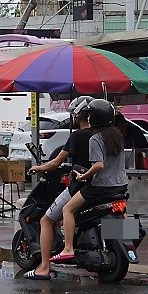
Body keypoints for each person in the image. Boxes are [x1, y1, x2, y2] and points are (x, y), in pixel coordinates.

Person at [22, 97, 94, 280]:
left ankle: (44, 267)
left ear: (77, 116)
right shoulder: (104, 135)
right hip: (106, 186)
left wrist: (38, 167)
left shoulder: (78, 136)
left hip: (82, 186)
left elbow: (55, 163)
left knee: (47, 220)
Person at [52, 99, 126, 267]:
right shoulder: (118, 137)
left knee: (67, 209)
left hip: (100, 187)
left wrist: (84, 176)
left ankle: (68, 248)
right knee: (120, 213)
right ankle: (124, 237)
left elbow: (99, 165)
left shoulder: (95, 139)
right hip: (120, 186)